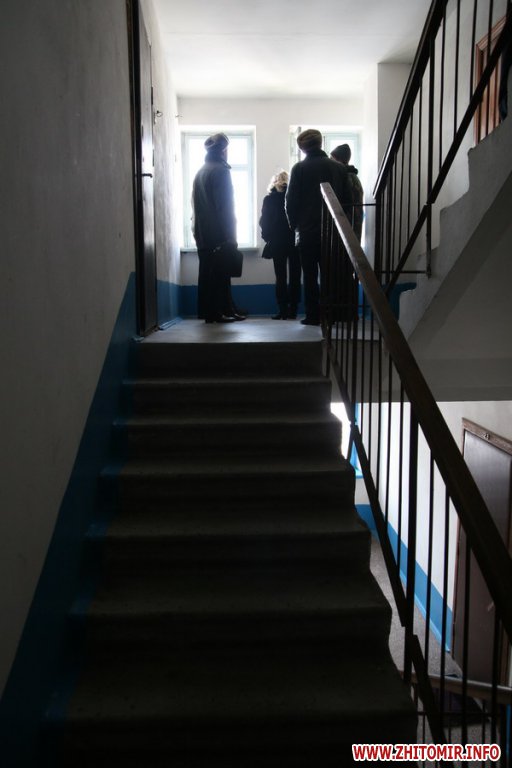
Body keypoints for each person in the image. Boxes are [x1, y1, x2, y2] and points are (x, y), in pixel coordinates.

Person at [285, 129, 353, 325]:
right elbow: (348, 202)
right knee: (330, 275)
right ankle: (330, 314)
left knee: (309, 276)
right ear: (321, 142)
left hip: (307, 232)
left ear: (302, 148)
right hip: (333, 231)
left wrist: (295, 226)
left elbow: (291, 201)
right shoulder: (339, 168)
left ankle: (313, 315)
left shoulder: (299, 169)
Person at [191, 132, 245, 323]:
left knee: (208, 273)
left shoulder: (201, 171)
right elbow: (225, 207)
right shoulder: (221, 171)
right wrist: (231, 235)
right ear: (224, 150)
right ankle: (218, 312)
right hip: (218, 232)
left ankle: (221, 310)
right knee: (220, 274)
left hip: (202, 232)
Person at [259, 170, 301, 319]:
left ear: (274, 182)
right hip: (294, 241)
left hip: (277, 240)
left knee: (280, 276)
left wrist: (267, 238)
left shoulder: (269, 199)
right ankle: (293, 310)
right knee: (295, 276)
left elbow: (264, 222)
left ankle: (282, 310)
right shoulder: (295, 197)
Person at [330, 143, 364, 243]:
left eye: (332, 158)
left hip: (349, 222)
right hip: (354, 221)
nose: (330, 161)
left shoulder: (346, 177)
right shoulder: (353, 176)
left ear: (339, 160)